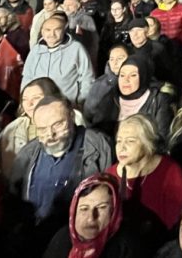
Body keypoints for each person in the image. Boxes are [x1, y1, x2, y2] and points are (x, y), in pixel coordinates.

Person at [8, 96, 114, 227]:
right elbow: (14, 200)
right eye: (42, 129)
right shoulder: (28, 153)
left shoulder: (98, 147)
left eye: (57, 124)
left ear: (72, 116)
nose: (50, 135)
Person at [110, 114, 182, 234]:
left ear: (147, 143)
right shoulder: (110, 176)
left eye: (130, 141)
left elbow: (181, 221)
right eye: (119, 141)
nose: (121, 148)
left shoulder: (170, 171)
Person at [44, 173, 138, 258]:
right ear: (73, 212)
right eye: (84, 209)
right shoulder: (62, 239)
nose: (91, 218)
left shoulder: (126, 248)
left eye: (101, 207)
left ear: (115, 212)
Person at [0, 77, 72, 177]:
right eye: (24, 100)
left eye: (36, 98)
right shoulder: (12, 129)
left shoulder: (72, 119)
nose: (29, 104)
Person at [88, 55, 175, 141]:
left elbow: (162, 137)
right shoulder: (110, 98)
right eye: (122, 75)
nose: (126, 80)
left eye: (133, 75)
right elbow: (96, 134)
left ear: (143, 76)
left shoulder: (158, 99)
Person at [21, 13, 95, 106]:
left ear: (64, 31)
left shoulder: (76, 49)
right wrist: (24, 100)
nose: (52, 34)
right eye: (48, 30)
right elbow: (27, 77)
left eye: (57, 30)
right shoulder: (36, 50)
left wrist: (81, 101)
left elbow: (87, 77)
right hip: (38, 106)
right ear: (42, 32)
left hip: (67, 105)